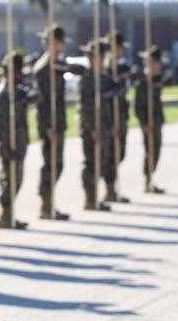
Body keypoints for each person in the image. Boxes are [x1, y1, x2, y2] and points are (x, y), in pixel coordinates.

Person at [30, 24, 71, 221]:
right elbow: (43, 101)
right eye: (60, 42)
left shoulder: (57, 63)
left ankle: (49, 202)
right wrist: (48, 127)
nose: (62, 46)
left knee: (58, 163)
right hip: (49, 123)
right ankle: (45, 205)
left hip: (58, 121)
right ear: (54, 42)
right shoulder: (44, 67)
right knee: (51, 163)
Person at [78, 40, 124, 211]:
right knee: (92, 162)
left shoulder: (105, 78)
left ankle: (96, 196)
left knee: (102, 161)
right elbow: (87, 107)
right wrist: (92, 129)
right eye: (91, 57)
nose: (94, 60)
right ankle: (90, 198)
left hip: (104, 126)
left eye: (97, 57)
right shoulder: (88, 78)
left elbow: (110, 104)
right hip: (92, 127)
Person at [0, 51, 35, 229]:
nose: (21, 74)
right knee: (9, 179)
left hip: (19, 142)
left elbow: (36, 97)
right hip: (9, 144)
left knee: (17, 180)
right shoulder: (3, 93)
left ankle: (9, 215)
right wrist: (5, 145)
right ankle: (5, 216)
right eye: (19, 71)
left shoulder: (18, 91)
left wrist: (27, 83)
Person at [135, 45, 171, 194]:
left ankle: (150, 179)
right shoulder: (143, 82)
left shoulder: (157, 79)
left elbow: (169, 81)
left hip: (157, 121)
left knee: (156, 151)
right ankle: (147, 181)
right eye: (152, 63)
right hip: (147, 122)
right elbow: (138, 105)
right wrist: (143, 123)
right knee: (150, 151)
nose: (157, 66)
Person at [102, 31, 132, 203]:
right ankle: (109, 190)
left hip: (121, 114)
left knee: (119, 154)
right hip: (111, 116)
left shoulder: (120, 66)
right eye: (119, 48)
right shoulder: (107, 67)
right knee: (112, 155)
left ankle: (112, 188)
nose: (122, 51)